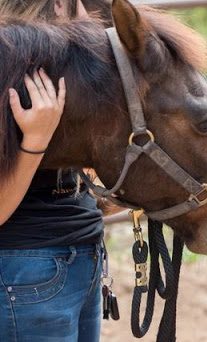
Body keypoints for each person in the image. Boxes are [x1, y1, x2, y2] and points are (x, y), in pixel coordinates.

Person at [0, 1, 109, 341]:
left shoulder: (60, 73)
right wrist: (35, 141)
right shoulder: (10, 78)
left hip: (83, 254)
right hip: (31, 267)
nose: (84, 13)